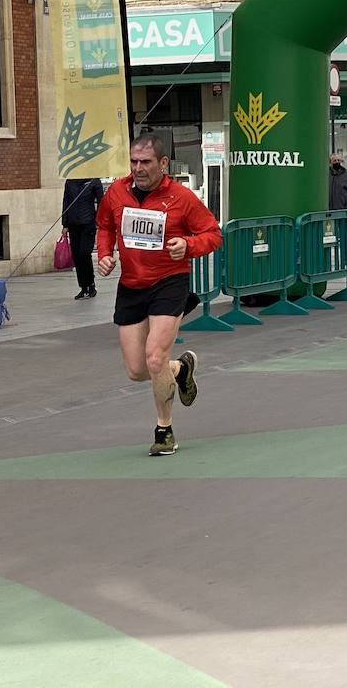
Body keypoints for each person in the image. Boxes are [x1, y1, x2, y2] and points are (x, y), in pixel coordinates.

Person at [96, 133, 223, 456]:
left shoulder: (181, 198)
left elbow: (213, 234)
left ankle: (164, 430)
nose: (138, 169)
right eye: (134, 162)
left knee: (155, 358)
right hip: (131, 285)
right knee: (137, 370)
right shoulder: (117, 192)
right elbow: (105, 226)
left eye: (146, 162)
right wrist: (105, 254)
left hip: (169, 281)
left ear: (163, 164)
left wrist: (188, 246)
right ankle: (180, 369)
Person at [62, 176, 104, 300]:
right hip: (73, 223)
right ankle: (83, 287)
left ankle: (91, 285)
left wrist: (98, 219)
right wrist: (65, 224)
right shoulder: (70, 182)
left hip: (88, 223)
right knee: (76, 256)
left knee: (84, 253)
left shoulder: (94, 181)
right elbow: (66, 202)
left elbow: (102, 201)